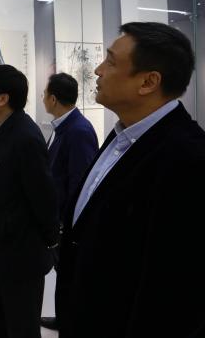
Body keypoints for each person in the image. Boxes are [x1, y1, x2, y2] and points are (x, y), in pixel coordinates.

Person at [56, 22, 205, 338]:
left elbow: (173, 291)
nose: (98, 70)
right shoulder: (121, 136)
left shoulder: (188, 159)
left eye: (110, 62)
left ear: (148, 82)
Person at [0, 64, 59, 338]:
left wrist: (50, 240)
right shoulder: (1, 129)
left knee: (20, 328)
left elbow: (43, 196)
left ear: (3, 98)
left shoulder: (25, 137)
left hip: (19, 258)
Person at [40, 73, 98, 331]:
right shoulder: (63, 127)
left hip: (67, 222)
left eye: (44, 94)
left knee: (70, 274)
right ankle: (64, 317)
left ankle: (72, 321)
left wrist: (67, 222)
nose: (43, 98)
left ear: (53, 99)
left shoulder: (78, 130)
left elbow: (81, 181)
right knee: (63, 273)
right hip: (58, 219)